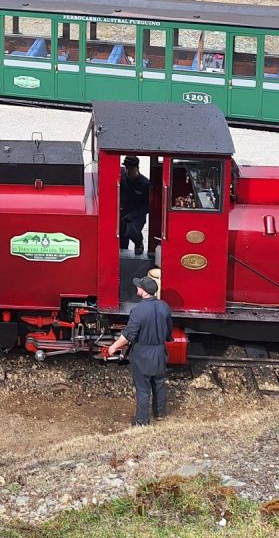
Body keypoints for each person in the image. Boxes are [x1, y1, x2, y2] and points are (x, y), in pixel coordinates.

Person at [104, 276, 174, 425]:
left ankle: (142, 421)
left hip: (143, 354)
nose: (137, 288)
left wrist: (113, 347)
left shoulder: (138, 311)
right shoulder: (165, 307)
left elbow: (128, 335)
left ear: (143, 291)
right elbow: (169, 332)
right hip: (160, 351)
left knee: (143, 388)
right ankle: (160, 413)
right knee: (159, 383)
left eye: (139, 287)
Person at [118, 155, 149, 252]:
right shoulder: (122, 177)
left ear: (137, 168)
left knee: (131, 231)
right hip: (123, 212)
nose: (128, 171)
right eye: (127, 168)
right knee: (122, 236)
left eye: (131, 169)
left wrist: (133, 215)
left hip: (137, 215)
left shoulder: (144, 184)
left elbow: (148, 206)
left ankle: (139, 242)